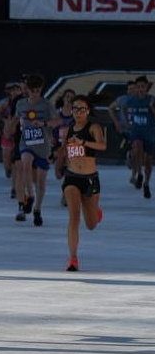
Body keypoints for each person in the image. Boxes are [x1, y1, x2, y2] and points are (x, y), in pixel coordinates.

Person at [54, 95, 105, 271]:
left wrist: (83, 142)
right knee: (73, 217)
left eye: (82, 109)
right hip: (72, 177)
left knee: (91, 225)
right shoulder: (68, 130)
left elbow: (102, 146)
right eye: (75, 108)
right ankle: (73, 258)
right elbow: (64, 150)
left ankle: (94, 211)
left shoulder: (94, 127)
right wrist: (57, 161)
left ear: (88, 111)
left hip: (90, 179)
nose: (78, 112)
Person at [9, 73, 60, 225]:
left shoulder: (46, 104)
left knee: (41, 180)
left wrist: (44, 124)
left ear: (41, 89)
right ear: (28, 90)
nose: (35, 93)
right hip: (27, 142)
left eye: (38, 90)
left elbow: (57, 120)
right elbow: (16, 118)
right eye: (32, 90)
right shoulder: (21, 104)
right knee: (24, 165)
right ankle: (29, 196)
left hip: (42, 145)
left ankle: (37, 209)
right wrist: (11, 128)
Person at [110, 75, 155, 198]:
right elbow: (116, 107)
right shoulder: (131, 100)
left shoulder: (152, 99)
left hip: (149, 133)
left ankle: (146, 183)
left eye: (143, 86)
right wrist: (122, 121)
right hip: (136, 131)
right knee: (136, 148)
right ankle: (139, 174)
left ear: (147, 87)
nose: (141, 89)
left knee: (148, 162)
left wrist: (151, 108)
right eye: (138, 86)